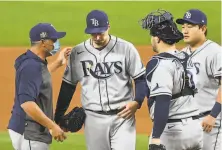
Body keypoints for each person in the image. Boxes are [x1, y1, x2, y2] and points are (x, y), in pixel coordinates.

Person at [54, 10, 146, 150]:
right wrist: (59, 116)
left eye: (100, 33)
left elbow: (140, 78)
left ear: (108, 27)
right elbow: (68, 85)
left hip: (122, 117)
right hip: (93, 119)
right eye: (93, 33)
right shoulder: (78, 52)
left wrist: (137, 101)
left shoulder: (126, 48)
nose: (97, 37)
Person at [139, 9, 203, 150]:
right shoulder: (187, 58)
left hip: (173, 132)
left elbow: (163, 100)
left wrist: (156, 138)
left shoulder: (160, 64)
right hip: (196, 130)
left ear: (157, 38)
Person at [7, 23, 71, 150]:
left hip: (28, 131)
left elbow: (38, 77)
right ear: (43, 42)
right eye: (53, 40)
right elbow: (27, 103)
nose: (56, 43)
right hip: (30, 133)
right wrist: (52, 126)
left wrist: (58, 63)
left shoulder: (32, 61)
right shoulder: (31, 66)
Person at [176, 9, 221, 150]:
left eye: (190, 26)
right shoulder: (182, 54)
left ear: (203, 28)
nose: (185, 30)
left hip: (210, 122)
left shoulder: (215, 52)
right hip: (188, 122)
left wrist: (213, 115)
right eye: (183, 27)